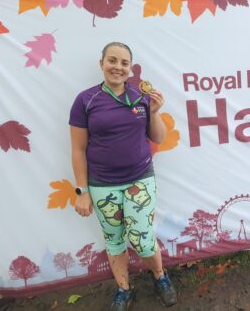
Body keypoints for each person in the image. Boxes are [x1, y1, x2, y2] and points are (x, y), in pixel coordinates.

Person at [69, 42, 177, 310]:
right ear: (101, 63)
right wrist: (81, 191)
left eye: (124, 63)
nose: (118, 67)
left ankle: (160, 277)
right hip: (102, 184)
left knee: (142, 238)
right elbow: (78, 149)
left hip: (139, 178)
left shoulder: (141, 97)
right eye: (112, 61)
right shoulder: (86, 100)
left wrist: (154, 111)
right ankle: (123, 289)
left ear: (130, 68)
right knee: (114, 239)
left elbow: (159, 137)